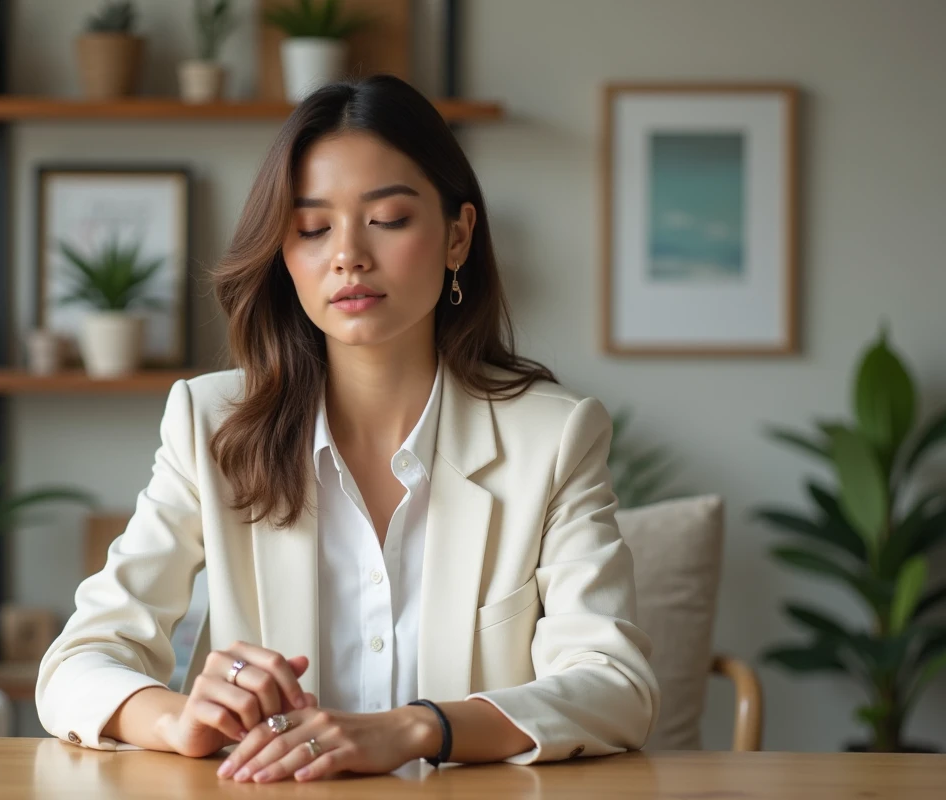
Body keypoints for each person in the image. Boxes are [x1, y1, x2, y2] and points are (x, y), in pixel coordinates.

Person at [36, 74, 659, 784]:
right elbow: (76, 665)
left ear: (458, 236)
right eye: (311, 228)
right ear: (283, 254)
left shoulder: (552, 438)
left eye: (388, 218)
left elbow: (615, 685)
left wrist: (415, 729)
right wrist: (178, 720)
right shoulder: (211, 424)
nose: (348, 255)